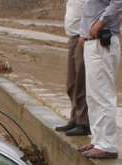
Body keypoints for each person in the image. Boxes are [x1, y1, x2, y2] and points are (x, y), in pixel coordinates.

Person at [78, 0, 122, 159]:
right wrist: (83, 33)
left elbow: (121, 1)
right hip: (93, 43)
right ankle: (98, 140)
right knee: (93, 96)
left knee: (103, 94)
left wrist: (100, 23)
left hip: (102, 41)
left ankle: (107, 145)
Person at [55, 0, 90, 136]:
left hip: (82, 38)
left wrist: (86, 33)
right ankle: (74, 118)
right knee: (72, 84)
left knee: (81, 82)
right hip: (73, 38)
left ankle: (83, 123)